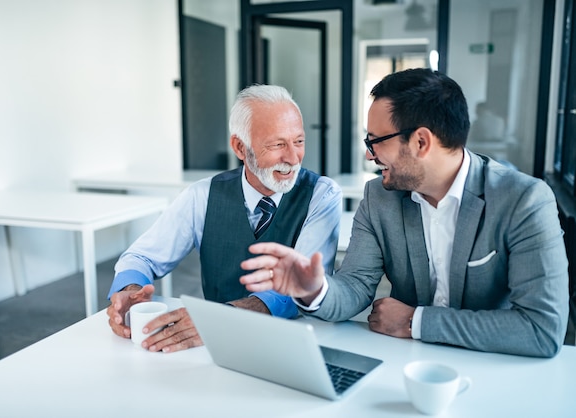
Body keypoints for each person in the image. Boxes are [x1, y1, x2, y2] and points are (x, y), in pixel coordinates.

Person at [239, 68, 569, 358]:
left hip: (496, 370)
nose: (370, 156)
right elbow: (355, 286)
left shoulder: (524, 200)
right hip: (404, 366)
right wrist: (315, 289)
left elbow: (541, 328)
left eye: (375, 142)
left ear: (421, 142)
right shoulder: (379, 197)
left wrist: (417, 322)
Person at [106, 84, 342, 353]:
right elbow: (141, 257)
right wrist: (130, 290)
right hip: (215, 348)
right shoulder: (202, 196)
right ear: (240, 147)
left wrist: (219, 319)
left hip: (294, 343)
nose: (292, 157)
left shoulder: (322, 195)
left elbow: (304, 285)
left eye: (298, 141)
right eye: (277, 144)